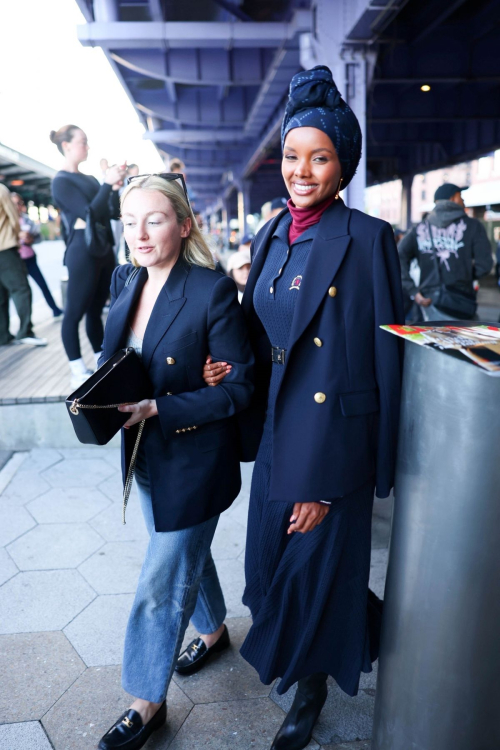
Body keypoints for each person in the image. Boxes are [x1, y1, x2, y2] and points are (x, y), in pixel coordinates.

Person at [199, 65, 404, 750]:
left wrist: (336, 481)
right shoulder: (269, 236)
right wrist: (228, 365)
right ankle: (374, 628)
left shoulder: (368, 238)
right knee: (269, 570)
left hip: (330, 446)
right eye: (292, 156)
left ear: (342, 165)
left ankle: (312, 688)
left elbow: (381, 364)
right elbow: (263, 333)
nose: (302, 170)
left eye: (319, 157)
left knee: (311, 570)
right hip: (282, 431)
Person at [96, 174, 254, 750]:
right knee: (186, 550)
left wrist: (158, 405)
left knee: (162, 578)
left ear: (184, 225)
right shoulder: (124, 277)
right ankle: (213, 631)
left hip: (193, 457)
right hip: (140, 455)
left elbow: (238, 391)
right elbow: (115, 352)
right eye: (130, 220)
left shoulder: (210, 290)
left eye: (155, 219)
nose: (139, 232)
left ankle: (145, 701)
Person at [50, 125, 126, 387]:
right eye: (83, 142)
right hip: (82, 250)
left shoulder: (91, 180)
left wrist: (113, 187)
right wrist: (106, 184)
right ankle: (76, 368)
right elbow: (89, 213)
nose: (87, 147)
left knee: (96, 310)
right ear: (67, 146)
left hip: (103, 248)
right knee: (74, 311)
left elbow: (110, 212)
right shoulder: (60, 181)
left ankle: (99, 359)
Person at [398, 183, 493, 321]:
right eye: (461, 196)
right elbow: (485, 265)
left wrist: (413, 291)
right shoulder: (473, 226)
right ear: (454, 198)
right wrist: (464, 274)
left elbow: (398, 256)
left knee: (429, 342)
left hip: (427, 302)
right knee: (464, 341)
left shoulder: (419, 228)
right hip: (461, 302)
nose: (463, 201)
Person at [0, 184, 47, 346]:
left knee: (1, 294)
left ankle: (2, 335)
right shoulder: (1, 190)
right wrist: (17, 239)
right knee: (21, 289)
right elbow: (13, 218)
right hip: (4, 248)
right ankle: (25, 331)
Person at [10, 193, 63, 318]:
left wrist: (30, 239)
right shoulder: (7, 221)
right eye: (14, 203)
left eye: (19, 203)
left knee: (42, 284)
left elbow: (38, 237)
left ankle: (55, 309)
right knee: (22, 291)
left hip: (30, 258)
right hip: (16, 261)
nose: (17, 206)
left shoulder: (26, 219)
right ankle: (26, 322)